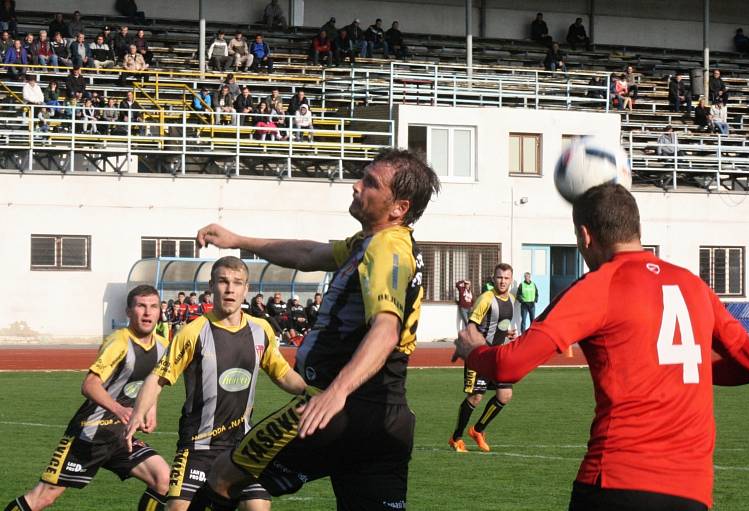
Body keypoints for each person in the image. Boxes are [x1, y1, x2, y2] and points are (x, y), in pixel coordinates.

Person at [454, 183, 749, 511]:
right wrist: (679, 369)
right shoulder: (694, 284)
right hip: (692, 491)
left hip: (617, 482)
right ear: (636, 228)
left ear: (585, 236)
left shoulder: (599, 286)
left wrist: (473, 350)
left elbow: (510, 365)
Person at [187, 149, 440, 510]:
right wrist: (240, 241)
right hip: (388, 417)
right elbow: (308, 254)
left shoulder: (386, 247)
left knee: (223, 479)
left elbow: (387, 329)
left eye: (370, 182)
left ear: (398, 207)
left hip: (336, 409)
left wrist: (336, 393)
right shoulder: (372, 243)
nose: (356, 185)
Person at [124, 257, 306, 511]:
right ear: (211, 286)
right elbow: (157, 377)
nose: (230, 289)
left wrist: (314, 395)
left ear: (246, 288)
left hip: (242, 448)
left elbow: (284, 374)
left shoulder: (260, 329)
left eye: (237, 283)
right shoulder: (194, 332)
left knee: (258, 506)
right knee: (178, 508)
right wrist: (136, 415)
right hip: (198, 445)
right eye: (223, 281)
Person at [3, 285, 172, 511]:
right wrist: (119, 409)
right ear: (128, 312)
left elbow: (153, 383)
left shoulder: (162, 346)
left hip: (122, 437)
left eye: (153, 307)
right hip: (91, 433)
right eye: (141, 306)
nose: (148, 313)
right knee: (43, 497)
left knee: (163, 479)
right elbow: (90, 384)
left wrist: (150, 410)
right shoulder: (119, 342)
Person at [449, 263, 516, 453]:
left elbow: (497, 325)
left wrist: (507, 333)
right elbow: (472, 327)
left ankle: (478, 430)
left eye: (506, 278)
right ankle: (456, 438)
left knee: (505, 395)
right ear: (493, 279)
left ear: (511, 280)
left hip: (497, 356)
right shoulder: (485, 299)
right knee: (475, 397)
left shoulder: (511, 299)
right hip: (479, 356)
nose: (502, 281)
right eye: (499, 277)